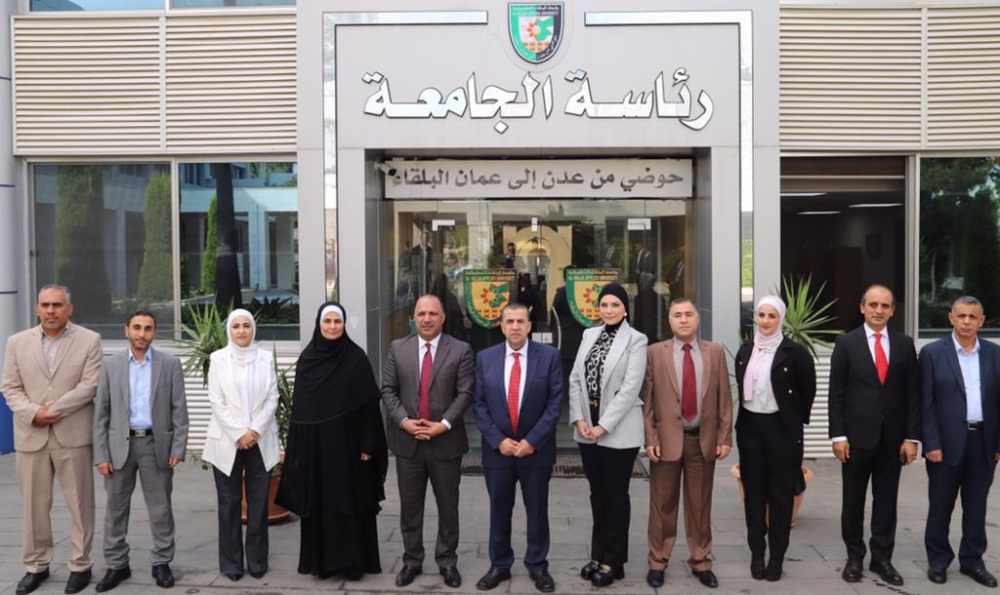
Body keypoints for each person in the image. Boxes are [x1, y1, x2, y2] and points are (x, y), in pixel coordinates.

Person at [2, 285, 103, 595]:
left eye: (57, 305)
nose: (50, 310)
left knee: (80, 504)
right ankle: (36, 566)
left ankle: (80, 564)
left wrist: (53, 410)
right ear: (36, 308)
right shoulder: (16, 342)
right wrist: (34, 413)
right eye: (45, 305)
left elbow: (90, 385)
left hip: (73, 434)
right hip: (31, 434)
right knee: (34, 506)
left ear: (69, 308)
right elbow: (10, 387)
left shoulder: (90, 340)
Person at [275, 302, 388, 580]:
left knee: (350, 501)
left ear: (344, 324)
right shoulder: (307, 359)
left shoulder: (356, 358)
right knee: (321, 502)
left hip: (350, 448)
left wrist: (368, 444)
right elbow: (300, 411)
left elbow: (370, 407)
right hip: (317, 449)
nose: (333, 326)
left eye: (337, 321)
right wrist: (299, 451)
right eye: (328, 321)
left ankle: (352, 563)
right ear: (319, 324)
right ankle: (322, 564)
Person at [828, 284, 919, 586]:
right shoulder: (846, 343)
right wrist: (838, 435)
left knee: (887, 503)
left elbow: (912, 395)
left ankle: (882, 559)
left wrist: (911, 438)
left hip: (892, 440)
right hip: (855, 438)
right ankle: (854, 557)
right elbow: (836, 393)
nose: (878, 310)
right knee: (853, 502)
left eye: (885, 306)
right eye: (873, 305)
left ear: (892, 311)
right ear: (862, 307)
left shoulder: (905, 344)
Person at [381, 294, 474, 589]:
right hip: (408, 443)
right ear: (414, 317)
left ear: (443, 318)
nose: (427, 319)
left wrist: (442, 425)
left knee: (448, 506)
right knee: (410, 507)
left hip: (445, 443)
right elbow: (388, 389)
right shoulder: (398, 348)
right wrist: (404, 421)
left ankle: (447, 561)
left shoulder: (460, 350)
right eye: (421, 313)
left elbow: (465, 393)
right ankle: (412, 560)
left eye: (433, 313)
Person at [91, 311, 188, 592]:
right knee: (115, 509)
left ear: (154, 332)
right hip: (118, 447)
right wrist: (101, 454)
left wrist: (177, 447)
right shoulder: (110, 365)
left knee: (161, 508)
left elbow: (179, 410)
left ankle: (162, 562)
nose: (141, 334)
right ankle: (117, 564)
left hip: (155, 445)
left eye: (147, 328)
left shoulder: (169, 364)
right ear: (126, 330)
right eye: (136, 328)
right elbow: (101, 413)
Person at [641, 297, 732, 589]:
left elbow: (724, 398)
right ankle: (658, 561)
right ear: (669, 320)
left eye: (688, 314)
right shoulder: (654, 353)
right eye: (677, 315)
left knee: (700, 506)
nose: (683, 319)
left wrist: (724, 436)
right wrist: (651, 437)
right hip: (666, 442)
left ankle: (701, 561)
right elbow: (647, 401)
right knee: (662, 506)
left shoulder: (714, 352)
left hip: (702, 442)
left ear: (697, 318)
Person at [472, 302, 562, 593]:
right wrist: (498, 440)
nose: (514, 326)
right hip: (498, 451)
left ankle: (537, 565)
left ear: (529, 326)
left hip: (535, 451)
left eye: (520, 321)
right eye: (509, 321)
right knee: (499, 510)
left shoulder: (549, 357)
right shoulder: (485, 358)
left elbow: (555, 404)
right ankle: (499, 564)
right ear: (501, 326)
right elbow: (479, 404)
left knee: (537, 510)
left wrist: (532, 441)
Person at [567, 284, 648, 587]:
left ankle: (613, 560)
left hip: (618, 431)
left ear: (625, 309)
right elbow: (575, 379)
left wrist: (603, 426)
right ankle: (598, 554)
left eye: (615, 305)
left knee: (616, 496)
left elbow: (630, 389)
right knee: (597, 494)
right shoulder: (589, 334)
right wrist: (578, 419)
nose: (609, 310)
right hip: (587, 430)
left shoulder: (636, 340)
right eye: (604, 305)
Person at [734, 296, 816, 582]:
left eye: (772, 316)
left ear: (780, 318)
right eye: (761, 315)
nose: (766, 321)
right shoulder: (746, 350)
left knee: (781, 497)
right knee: (754, 495)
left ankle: (777, 557)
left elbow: (807, 392)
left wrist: (792, 422)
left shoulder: (796, 353)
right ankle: (757, 553)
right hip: (750, 428)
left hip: (781, 430)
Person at [920, 296, 1000, 588]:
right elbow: (925, 402)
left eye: (972, 316)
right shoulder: (931, 353)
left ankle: (972, 561)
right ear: (950, 318)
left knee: (976, 507)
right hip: (944, 444)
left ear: (982, 321)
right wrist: (931, 443)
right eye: (961, 315)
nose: (967, 321)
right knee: (940, 506)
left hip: (983, 442)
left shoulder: (995, 353)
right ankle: (938, 560)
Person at [201, 309, 280, 582]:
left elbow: (272, 397)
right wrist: (239, 433)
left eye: (247, 325)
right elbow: (216, 402)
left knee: (258, 505)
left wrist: (254, 430)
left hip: (259, 439)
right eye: (236, 326)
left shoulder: (265, 358)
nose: (242, 331)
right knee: (228, 504)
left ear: (253, 328)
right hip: (227, 440)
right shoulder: (217, 359)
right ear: (229, 330)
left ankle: (257, 561)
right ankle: (231, 563)